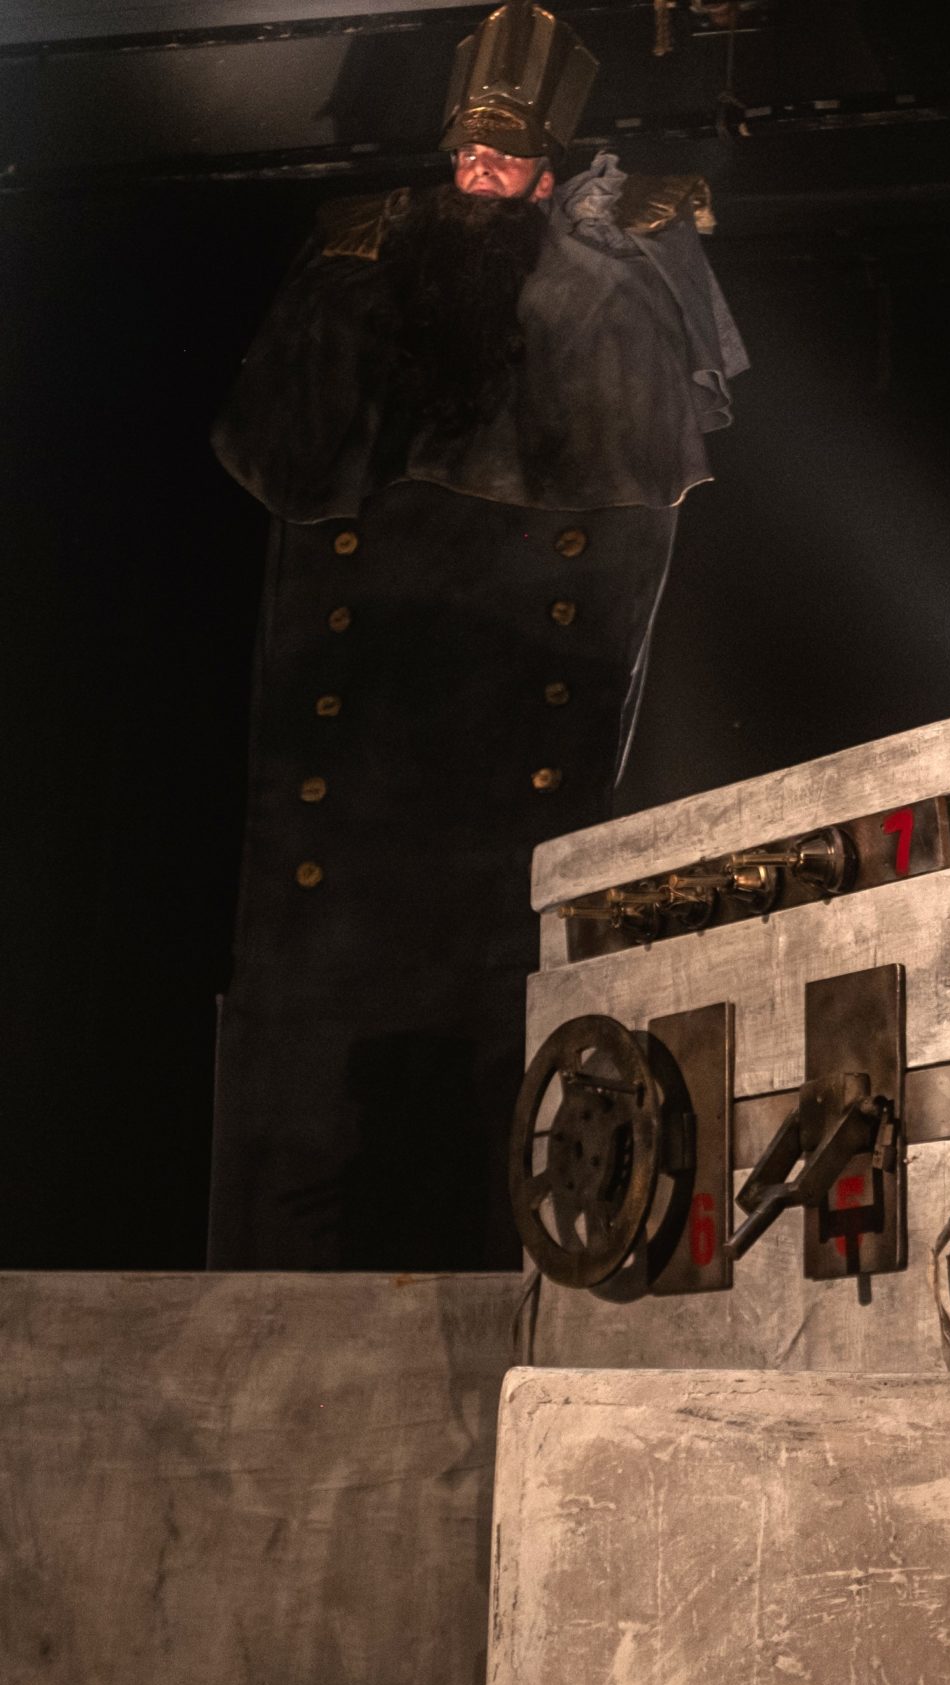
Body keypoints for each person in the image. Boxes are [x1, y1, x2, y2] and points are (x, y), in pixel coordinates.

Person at [207, 0, 746, 1271]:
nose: (478, 176)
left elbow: (650, 409)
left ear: (547, 172)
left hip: (518, 722)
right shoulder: (370, 252)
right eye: (466, 157)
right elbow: (282, 428)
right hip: (369, 741)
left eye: (502, 161)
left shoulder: (617, 249)